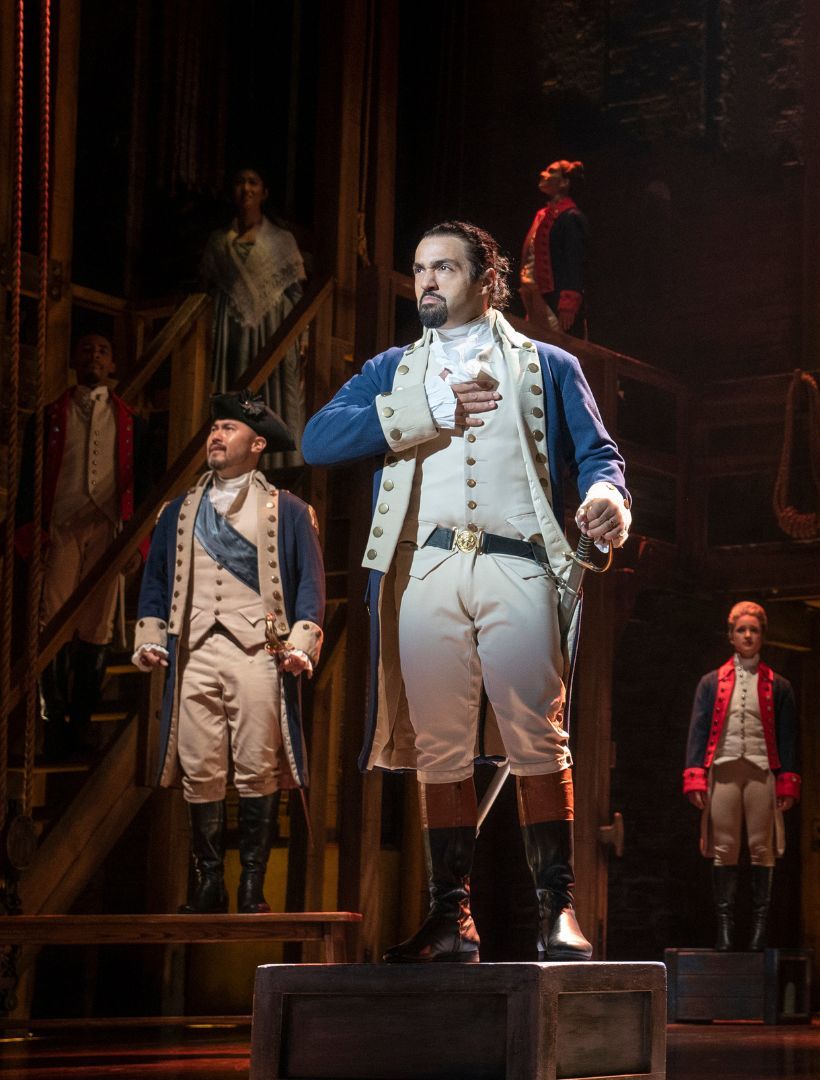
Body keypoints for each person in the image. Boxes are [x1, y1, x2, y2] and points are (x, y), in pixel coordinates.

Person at [304, 221, 630, 963]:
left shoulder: (547, 363)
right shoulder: (393, 368)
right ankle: (451, 920)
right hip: (429, 568)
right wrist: (426, 414)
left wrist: (611, 499)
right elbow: (319, 438)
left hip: (519, 564)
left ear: (490, 278)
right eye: (419, 268)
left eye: (444, 268)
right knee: (438, 747)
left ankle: (558, 913)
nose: (427, 281)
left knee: (537, 736)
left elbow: (599, 456)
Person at [132, 392, 322, 914]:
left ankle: (252, 886)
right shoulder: (177, 512)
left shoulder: (288, 511)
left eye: (229, 429)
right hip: (193, 649)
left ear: (257, 444)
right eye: (214, 428)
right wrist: (150, 634)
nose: (217, 436)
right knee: (200, 767)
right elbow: (156, 580)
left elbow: (309, 585)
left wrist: (302, 644)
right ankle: (208, 884)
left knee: (259, 765)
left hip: (257, 651)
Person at [23, 334, 138, 759]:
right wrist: (27, 530)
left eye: (103, 351)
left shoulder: (129, 420)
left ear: (112, 366)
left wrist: (137, 544)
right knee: (51, 618)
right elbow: (27, 478)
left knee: (97, 625)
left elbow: (141, 486)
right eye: (86, 349)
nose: (94, 356)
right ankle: (52, 720)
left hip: (106, 527)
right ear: (74, 358)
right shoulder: (51, 416)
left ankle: (81, 722)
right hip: (61, 524)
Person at [682, 601, 801, 951]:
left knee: (762, 848)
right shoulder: (710, 683)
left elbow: (788, 737)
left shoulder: (779, 685)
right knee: (725, 848)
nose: (748, 636)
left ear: (762, 636)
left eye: (754, 630)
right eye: (741, 630)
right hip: (723, 769)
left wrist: (787, 780)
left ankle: (759, 929)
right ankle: (725, 929)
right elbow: (699, 729)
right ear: (731, 636)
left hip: (762, 770)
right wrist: (695, 776)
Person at [198, 167, 307, 466]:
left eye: (253, 182)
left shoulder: (281, 239)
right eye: (239, 182)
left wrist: (303, 336)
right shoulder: (219, 241)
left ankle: (276, 462)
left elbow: (296, 293)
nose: (245, 188)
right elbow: (206, 289)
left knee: (271, 391)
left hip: (272, 326)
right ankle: (231, 455)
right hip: (231, 330)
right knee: (232, 385)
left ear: (264, 192)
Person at [519, 159, 590, 339]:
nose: (544, 174)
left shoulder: (570, 217)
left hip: (555, 299)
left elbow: (575, 261)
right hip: (536, 296)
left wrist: (569, 302)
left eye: (551, 171)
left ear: (564, 182)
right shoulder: (543, 215)